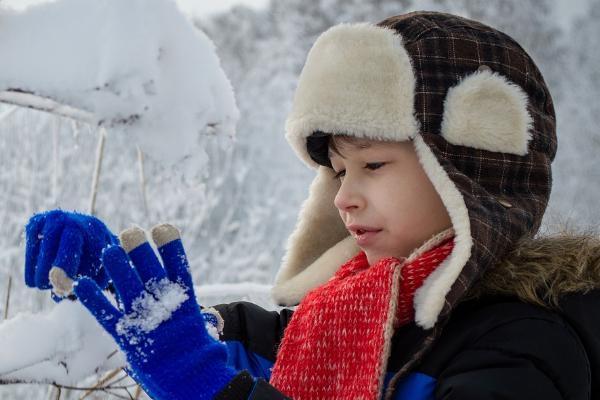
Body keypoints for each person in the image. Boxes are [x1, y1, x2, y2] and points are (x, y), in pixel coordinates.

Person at [23, 11, 600, 400]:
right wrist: (121, 283)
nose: (345, 197)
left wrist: (214, 391)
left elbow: (216, 374)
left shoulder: (527, 343)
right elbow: (236, 340)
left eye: (373, 164)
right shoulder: (354, 316)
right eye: (339, 171)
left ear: (467, 172)